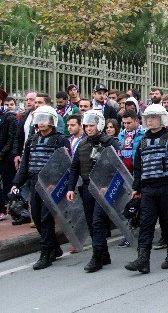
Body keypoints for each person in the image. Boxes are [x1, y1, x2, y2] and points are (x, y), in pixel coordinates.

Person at [125, 104, 168, 274]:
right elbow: (138, 166)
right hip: (148, 189)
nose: (150, 121)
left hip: (167, 187)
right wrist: (136, 187)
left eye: (153, 117)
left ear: (162, 119)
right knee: (146, 224)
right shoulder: (143, 140)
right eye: (148, 118)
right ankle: (143, 259)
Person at [12, 106, 70, 269]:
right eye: (39, 119)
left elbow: (65, 164)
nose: (41, 122)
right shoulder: (32, 139)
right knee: (36, 217)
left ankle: (45, 253)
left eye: (45, 119)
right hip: (34, 182)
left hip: (51, 184)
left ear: (52, 121)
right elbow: (24, 164)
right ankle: (54, 247)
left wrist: (57, 182)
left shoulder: (60, 140)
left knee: (46, 218)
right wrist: (16, 184)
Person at [66, 110, 121, 272]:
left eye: (92, 125)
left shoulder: (110, 142)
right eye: (86, 126)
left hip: (103, 188)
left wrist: (108, 184)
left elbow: (117, 166)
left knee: (98, 222)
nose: (89, 128)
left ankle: (96, 258)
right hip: (87, 187)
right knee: (91, 223)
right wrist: (70, 188)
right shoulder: (82, 144)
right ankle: (104, 254)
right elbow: (75, 167)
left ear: (99, 125)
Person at [0, 89, 18, 220]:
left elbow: (11, 139)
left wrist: (0, 155)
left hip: (2, 157)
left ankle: (0, 209)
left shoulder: (9, 117)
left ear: (0, 101)